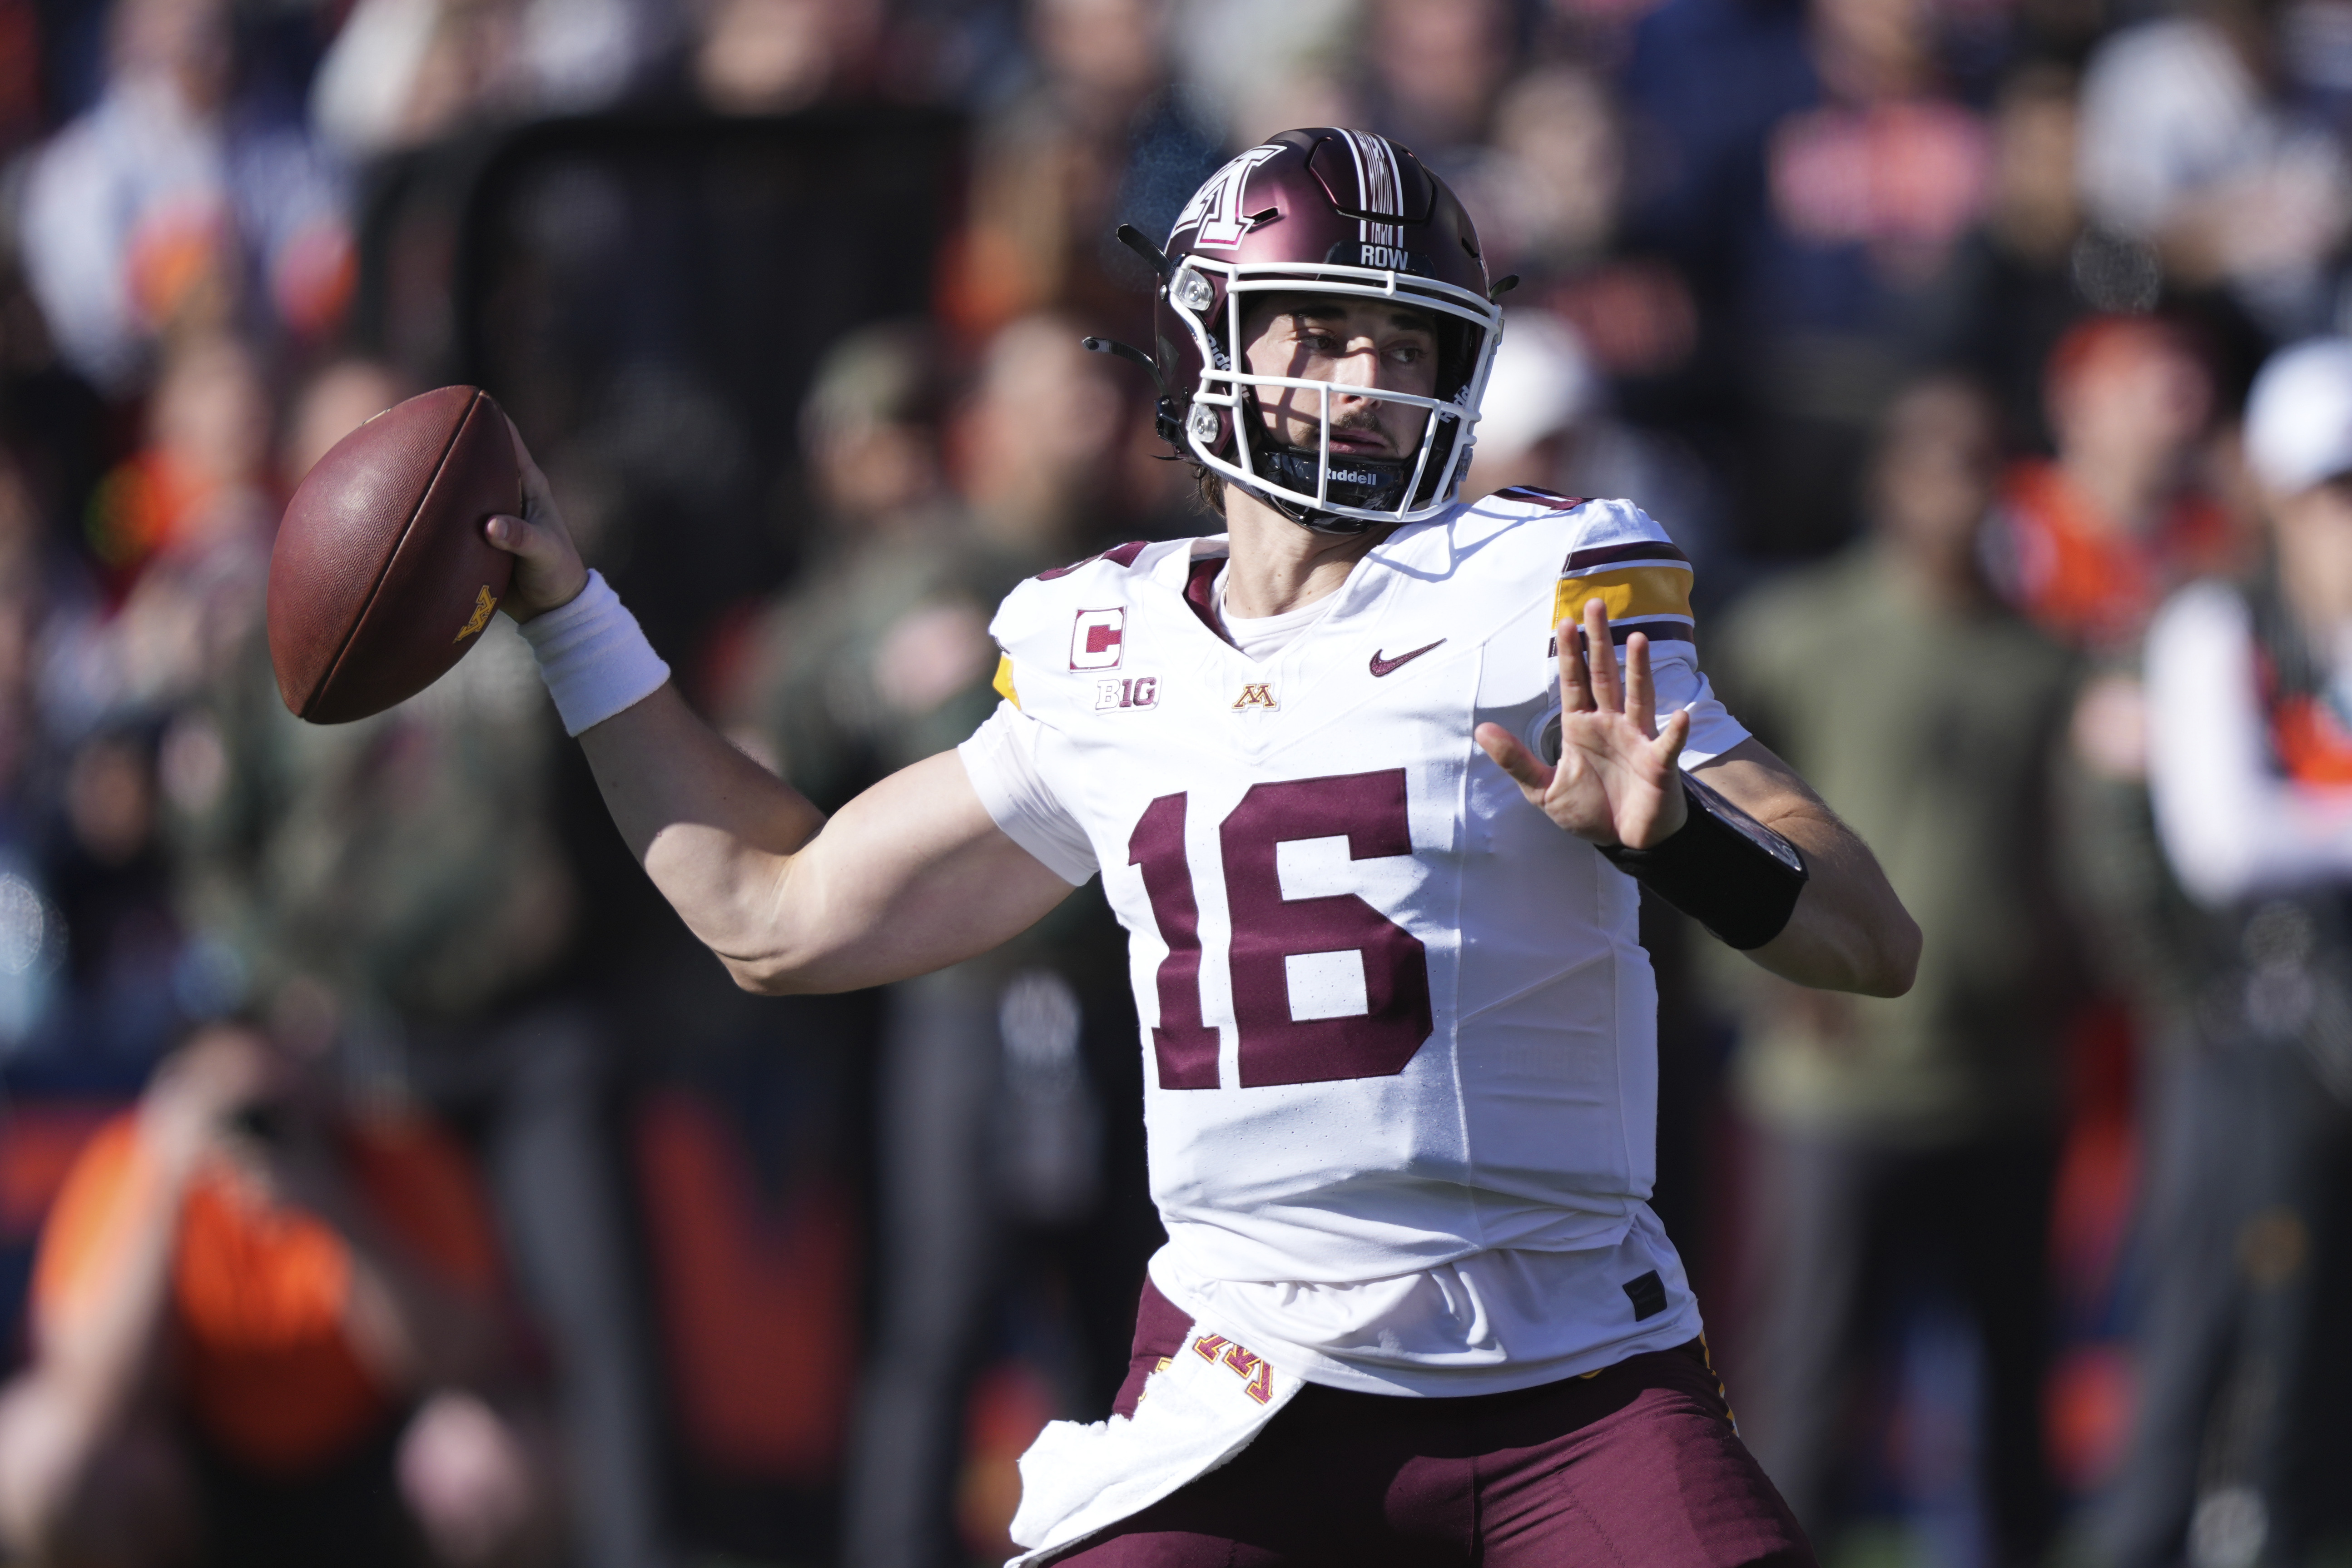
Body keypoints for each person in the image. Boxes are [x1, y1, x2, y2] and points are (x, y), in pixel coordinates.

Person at [483, 127, 1919, 1564]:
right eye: (1322, 332)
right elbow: (774, 916)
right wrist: (569, 615)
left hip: (1571, 1388)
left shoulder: (1535, 588)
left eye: (1410, 347)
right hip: (1249, 1386)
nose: (1369, 383)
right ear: (1205, 336)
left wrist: (1685, 841)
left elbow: (1870, 934)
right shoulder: (1099, 646)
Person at [1709, 375, 2079, 1563]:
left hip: (2001, 1078)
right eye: (1935, 460)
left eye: (1982, 461)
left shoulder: (2043, 660)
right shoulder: (1795, 634)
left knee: (2012, 1400)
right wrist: (1758, 984)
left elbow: (2065, 853)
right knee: (1808, 1390)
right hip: (1834, 1089)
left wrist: (2062, 967)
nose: (1960, 488)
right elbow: (1696, 825)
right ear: (1887, 479)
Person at [2104, 337, 2352, 1568]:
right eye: (2331, 493)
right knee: (2211, 1342)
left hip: (2335, 1043)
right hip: (2235, 1036)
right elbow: (2221, 843)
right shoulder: (2213, 621)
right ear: (2275, 494)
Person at [0, 1026, 553, 1568]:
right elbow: (95, 1387)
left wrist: (332, 1207)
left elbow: (464, 1359)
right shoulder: (132, 1160)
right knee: (43, 1460)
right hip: (201, 1475)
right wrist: (166, 1185)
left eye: (273, 1102)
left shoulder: (389, 1150)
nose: (254, 1127)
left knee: (497, 1461)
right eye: (230, 1104)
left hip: (370, 1464)